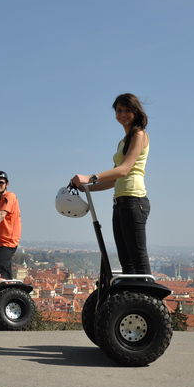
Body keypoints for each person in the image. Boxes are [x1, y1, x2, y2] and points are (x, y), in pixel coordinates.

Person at [71, 93, 152, 275]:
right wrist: (85, 188)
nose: (122, 114)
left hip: (134, 201)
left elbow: (124, 170)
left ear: (136, 112)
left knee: (139, 262)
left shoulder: (139, 135)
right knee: (126, 263)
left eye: (127, 110)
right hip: (120, 202)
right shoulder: (123, 141)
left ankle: (147, 294)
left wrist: (89, 177)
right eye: (119, 110)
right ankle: (131, 294)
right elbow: (113, 180)